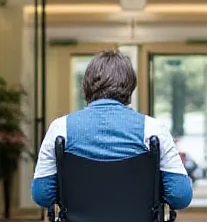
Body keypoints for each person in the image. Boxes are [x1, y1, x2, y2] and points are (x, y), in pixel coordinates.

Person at [31, 50, 193, 211]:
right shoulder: (153, 130)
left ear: (86, 86)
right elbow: (180, 196)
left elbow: (42, 195)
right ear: (130, 88)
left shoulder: (60, 128)